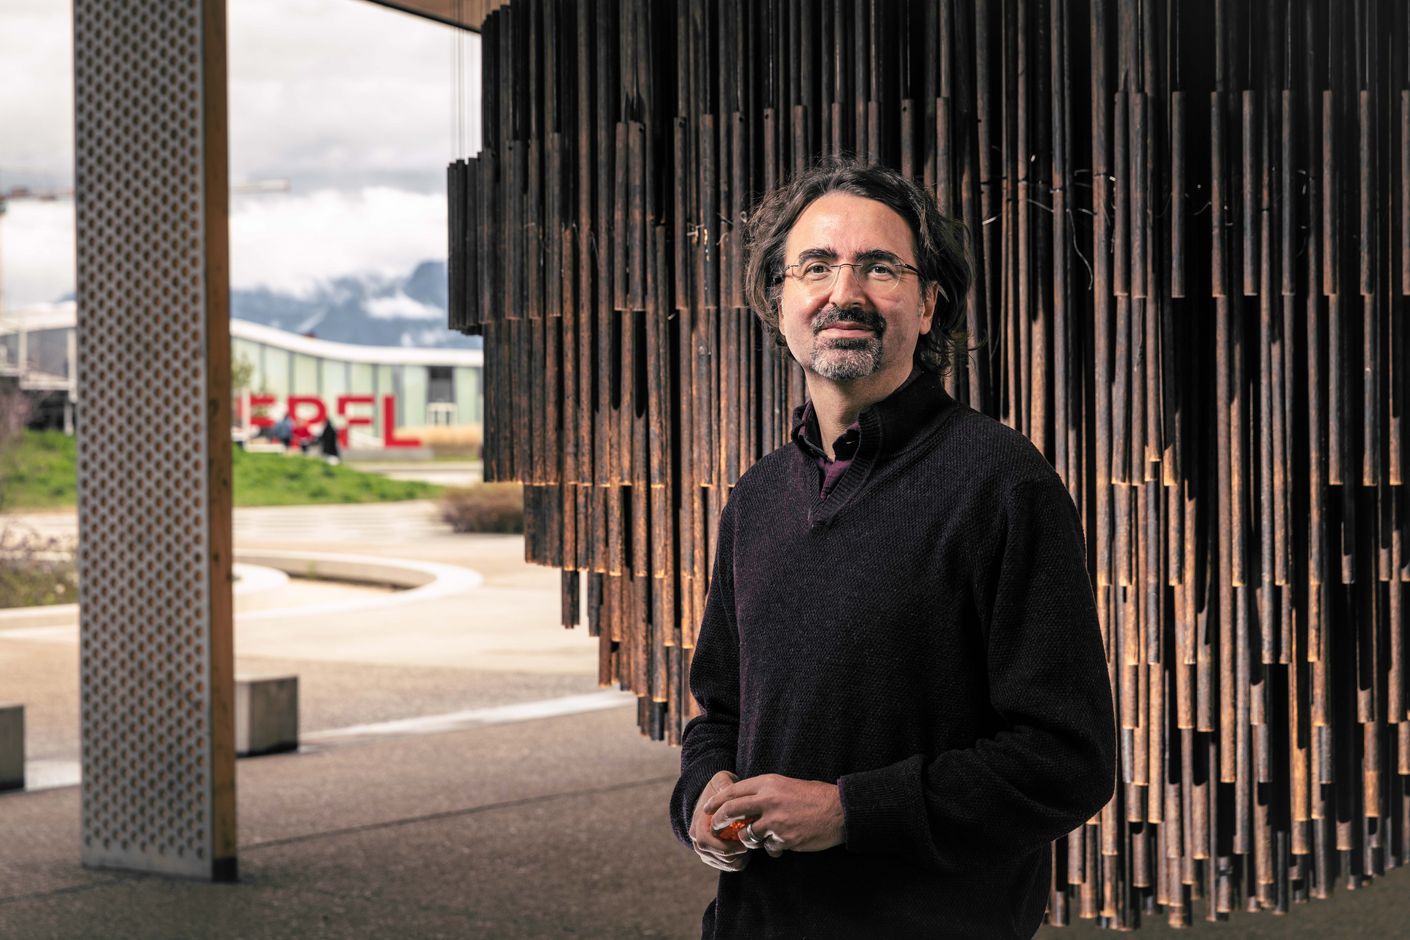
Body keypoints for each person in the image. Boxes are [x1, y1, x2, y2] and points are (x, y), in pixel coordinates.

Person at [668, 158, 1116, 939]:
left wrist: (848, 810)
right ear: (779, 301)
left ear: (928, 302)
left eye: (880, 268)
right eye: (816, 267)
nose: (845, 293)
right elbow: (721, 711)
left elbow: (1067, 760)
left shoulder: (1003, 484)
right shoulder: (759, 497)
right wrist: (702, 796)